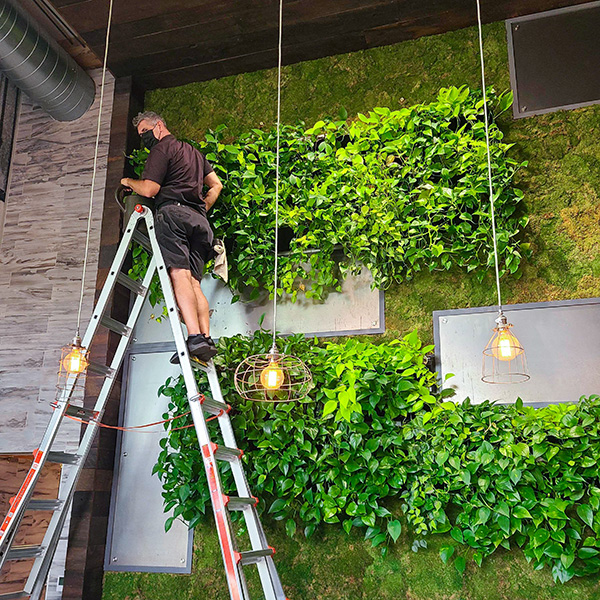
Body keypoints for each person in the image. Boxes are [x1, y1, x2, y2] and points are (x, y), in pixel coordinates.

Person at [120, 111, 223, 362]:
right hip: (199, 224)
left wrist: (127, 181)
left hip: (173, 217)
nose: (144, 138)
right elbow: (216, 185)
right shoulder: (194, 152)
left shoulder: (162, 150)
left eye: (145, 132)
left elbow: (150, 188)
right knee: (195, 283)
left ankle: (195, 337)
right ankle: (205, 339)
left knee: (179, 275)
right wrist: (200, 210)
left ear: (159, 126)